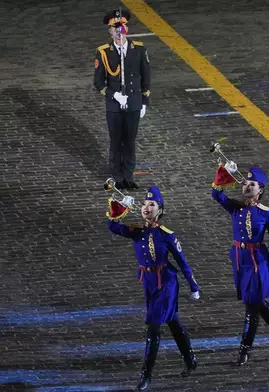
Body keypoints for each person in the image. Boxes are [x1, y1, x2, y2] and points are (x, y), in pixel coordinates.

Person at [106, 186, 200, 391]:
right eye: (144, 204)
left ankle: (145, 375)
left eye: (152, 204)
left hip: (166, 283)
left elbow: (182, 262)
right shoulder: (137, 232)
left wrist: (193, 286)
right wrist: (120, 206)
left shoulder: (167, 235)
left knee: (154, 327)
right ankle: (191, 359)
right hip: (149, 282)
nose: (146, 207)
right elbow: (112, 226)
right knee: (173, 322)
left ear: (160, 210)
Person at [211, 167, 269, 365]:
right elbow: (216, 193)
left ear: (261, 189)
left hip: (258, 261)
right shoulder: (235, 208)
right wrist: (225, 172)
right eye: (245, 183)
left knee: (251, 306)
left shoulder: (267, 214)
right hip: (241, 260)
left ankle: (245, 348)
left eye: (252, 184)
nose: (247, 186)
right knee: (254, 301)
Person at [94, 9, 151, 190]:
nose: (119, 30)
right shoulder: (104, 52)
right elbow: (98, 82)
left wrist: (144, 101)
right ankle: (117, 176)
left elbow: (146, 76)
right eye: (115, 27)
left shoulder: (139, 49)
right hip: (114, 105)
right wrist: (114, 95)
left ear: (127, 28)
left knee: (130, 141)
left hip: (134, 102)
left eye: (122, 26)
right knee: (116, 140)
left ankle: (128, 175)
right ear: (110, 31)